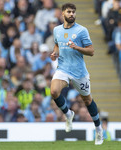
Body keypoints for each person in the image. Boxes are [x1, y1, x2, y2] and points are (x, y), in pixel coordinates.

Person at [50, 3, 103, 145]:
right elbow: (57, 44)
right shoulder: (56, 30)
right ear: (63, 14)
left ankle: (98, 130)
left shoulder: (81, 30)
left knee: (87, 101)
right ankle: (68, 114)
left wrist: (77, 47)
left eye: (73, 12)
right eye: (69, 12)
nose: (72, 14)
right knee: (54, 91)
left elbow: (91, 51)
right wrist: (55, 53)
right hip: (63, 69)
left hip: (79, 72)